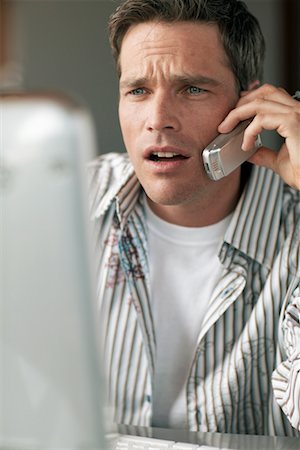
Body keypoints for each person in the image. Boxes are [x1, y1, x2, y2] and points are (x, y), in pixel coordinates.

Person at [88, 0, 300, 436]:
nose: (159, 120)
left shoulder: (294, 222)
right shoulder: (64, 202)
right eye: (138, 91)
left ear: (250, 107)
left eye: (193, 89)